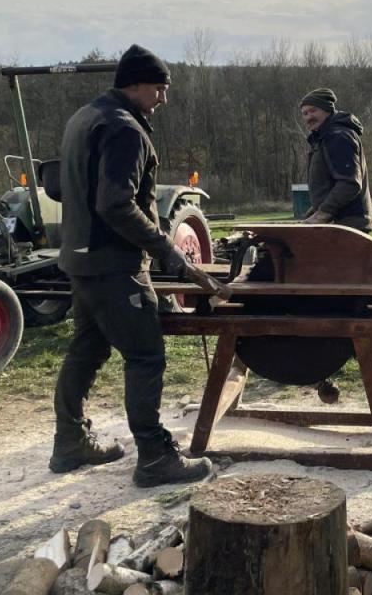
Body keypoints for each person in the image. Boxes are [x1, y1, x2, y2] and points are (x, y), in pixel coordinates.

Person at [50, 44, 230, 487]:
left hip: (80, 259)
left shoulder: (84, 117)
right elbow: (116, 203)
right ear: (135, 84)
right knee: (146, 355)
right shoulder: (124, 128)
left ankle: (69, 442)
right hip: (115, 265)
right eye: (159, 88)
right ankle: (154, 457)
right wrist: (168, 250)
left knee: (87, 351)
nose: (163, 98)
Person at [298, 88, 372, 232]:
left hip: (349, 224)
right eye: (305, 113)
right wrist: (316, 210)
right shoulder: (323, 138)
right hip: (339, 223)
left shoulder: (338, 137)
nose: (309, 117)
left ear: (327, 110)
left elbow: (350, 183)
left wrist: (322, 213)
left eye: (313, 111)